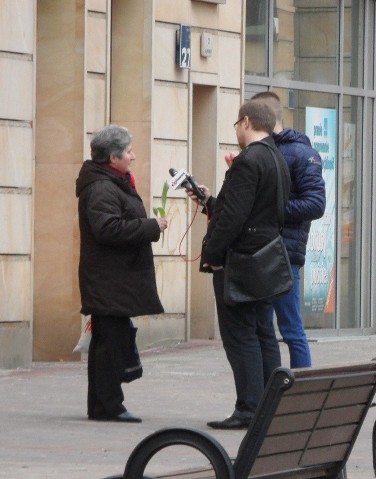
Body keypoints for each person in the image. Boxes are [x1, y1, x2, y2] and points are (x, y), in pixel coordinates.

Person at [187, 100, 292, 430]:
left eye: (236, 125)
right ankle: (268, 407)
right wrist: (210, 201)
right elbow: (255, 211)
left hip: (242, 261)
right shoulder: (276, 157)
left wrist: (213, 257)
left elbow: (234, 218)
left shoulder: (249, 161)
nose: (236, 131)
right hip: (265, 259)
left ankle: (248, 409)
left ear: (246, 122)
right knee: (263, 333)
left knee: (242, 337)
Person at [75, 124, 168, 423]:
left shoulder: (111, 182)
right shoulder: (102, 187)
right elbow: (108, 229)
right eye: (129, 152)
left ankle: (103, 405)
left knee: (108, 342)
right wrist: (151, 227)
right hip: (108, 279)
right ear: (113, 157)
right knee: (109, 345)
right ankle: (108, 406)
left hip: (113, 278)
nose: (134, 157)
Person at [249, 91, 326, 369]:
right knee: (262, 329)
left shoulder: (301, 153)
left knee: (291, 330)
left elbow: (315, 205)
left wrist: (270, 209)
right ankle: (268, 394)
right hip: (260, 253)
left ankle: (300, 398)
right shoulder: (262, 150)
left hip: (284, 256)